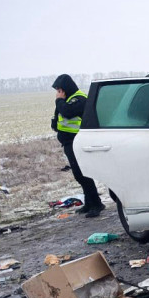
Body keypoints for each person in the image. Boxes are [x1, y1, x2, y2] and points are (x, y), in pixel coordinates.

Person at [52, 74, 103, 217]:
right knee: (79, 175)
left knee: (83, 175)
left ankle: (97, 204)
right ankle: (89, 203)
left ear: (66, 88)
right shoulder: (67, 100)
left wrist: (59, 101)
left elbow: (67, 112)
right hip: (69, 142)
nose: (58, 93)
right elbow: (60, 115)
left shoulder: (79, 99)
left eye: (60, 90)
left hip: (78, 142)